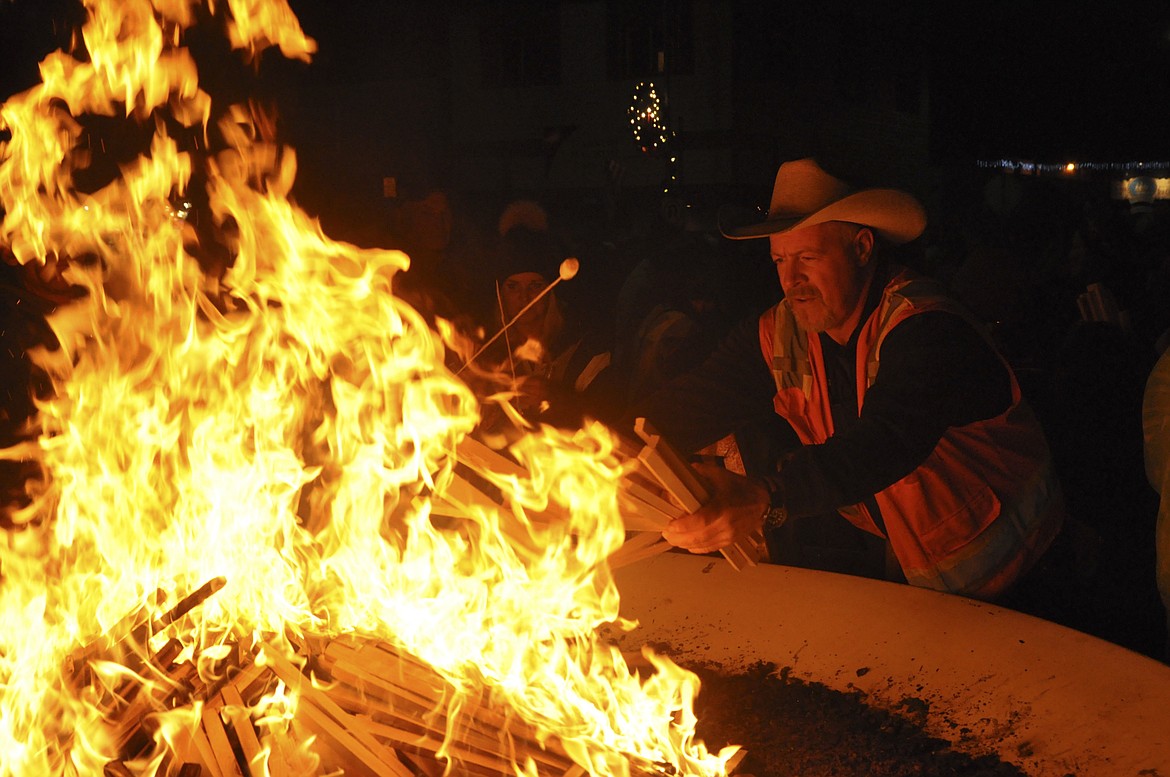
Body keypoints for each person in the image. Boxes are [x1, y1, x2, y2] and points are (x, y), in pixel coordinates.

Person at [632, 157, 1067, 603]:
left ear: (862, 249)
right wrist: (591, 450)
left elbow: (882, 442)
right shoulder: (779, 332)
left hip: (1033, 577)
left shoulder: (929, 330)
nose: (790, 280)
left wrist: (765, 496)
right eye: (779, 260)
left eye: (807, 258)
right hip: (936, 585)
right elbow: (694, 400)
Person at [469, 217, 619, 435]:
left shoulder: (585, 352)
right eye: (513, 287)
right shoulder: (490, 356)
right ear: (501, 296)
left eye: (535, 286)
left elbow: (610, 421)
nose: (524, 297)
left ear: (550, 292)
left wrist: (555, 397)